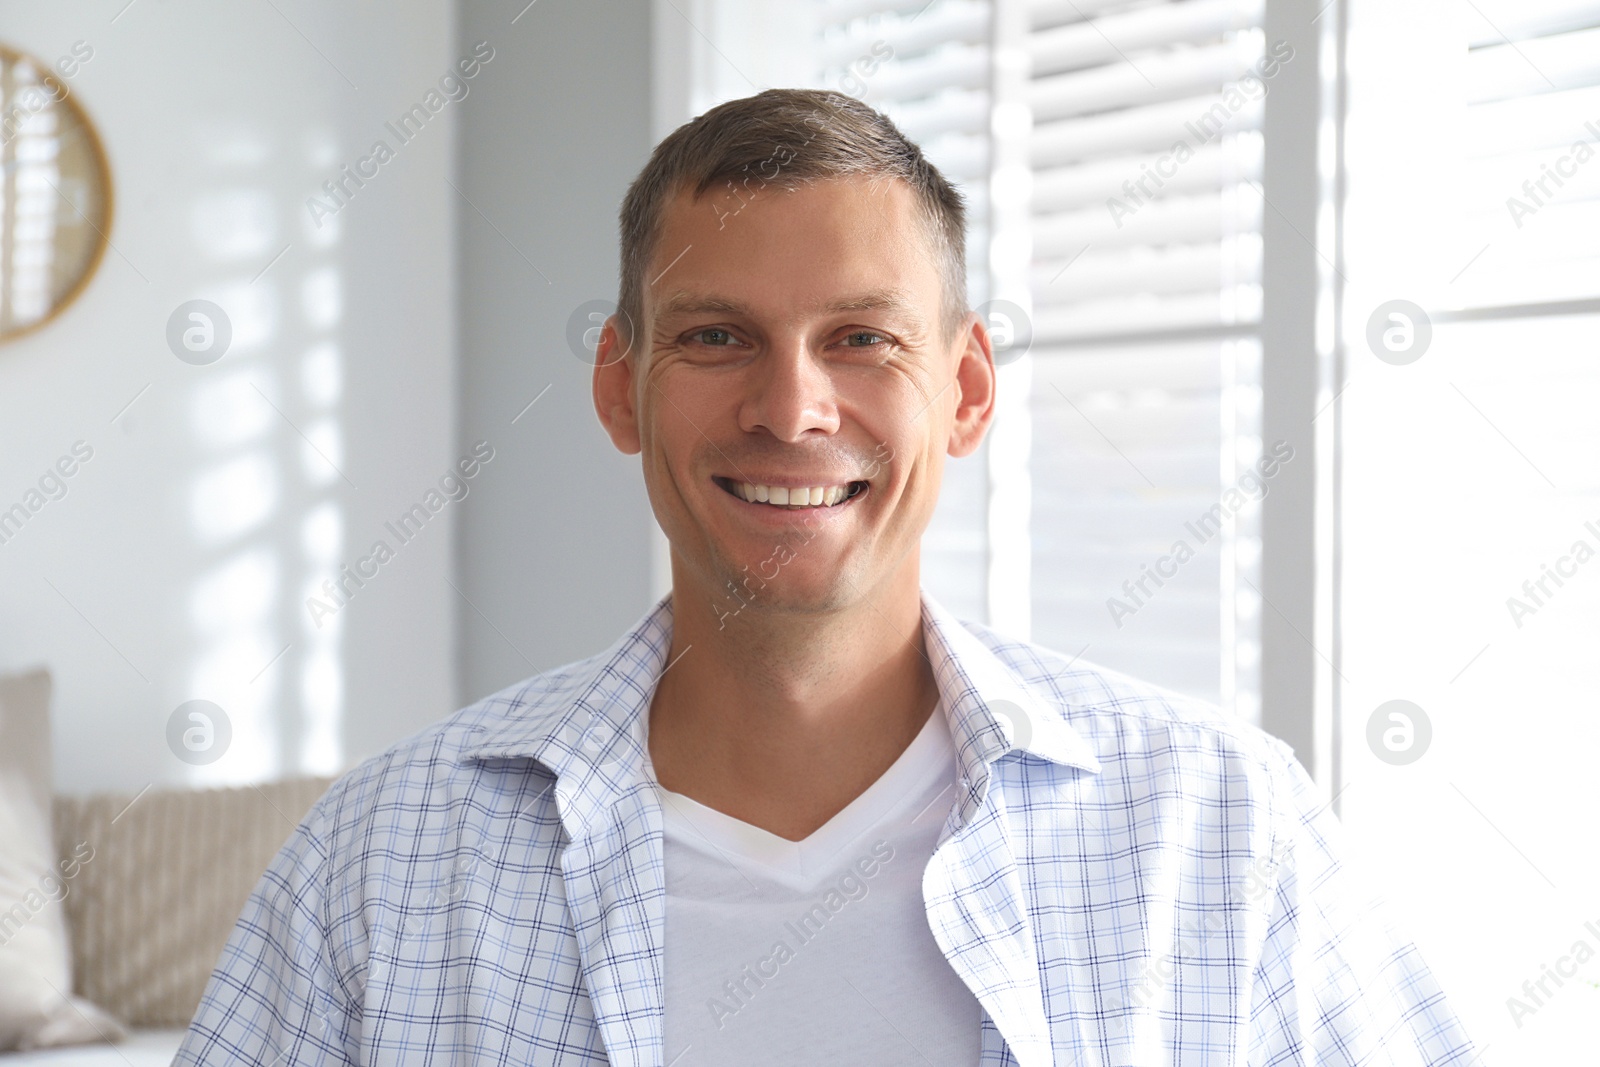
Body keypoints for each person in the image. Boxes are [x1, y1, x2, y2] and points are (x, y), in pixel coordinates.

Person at [175, 89, 1478, 1066]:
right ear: (620, 390)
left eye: (861, 338)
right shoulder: (380, 854)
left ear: (963, 391)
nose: (792, 409)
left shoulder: (1223, 830)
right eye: (716, 338)